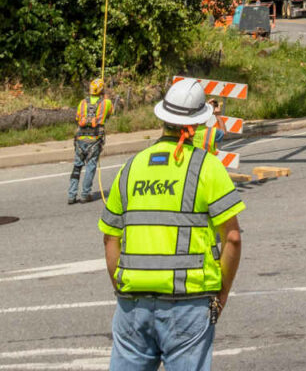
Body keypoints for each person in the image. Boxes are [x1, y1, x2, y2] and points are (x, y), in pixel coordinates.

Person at [99, 76, 244, 371]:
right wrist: (222, 293)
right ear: (198, 125)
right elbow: (232, 239)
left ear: (163, 119)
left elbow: (110, 239)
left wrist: (122, 289)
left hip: (132, 304)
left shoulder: (131, 167)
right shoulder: (206, 167)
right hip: (187, 304)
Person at [69, 77, 114, 205]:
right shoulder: (106, 103)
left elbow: (78, 118)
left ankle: (71, 195)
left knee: (77, 166)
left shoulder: (82, 102)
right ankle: (85, 194)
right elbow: (110, 113)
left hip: (80, 139)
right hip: (94, 140)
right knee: (90, 166)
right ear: (102, 90)